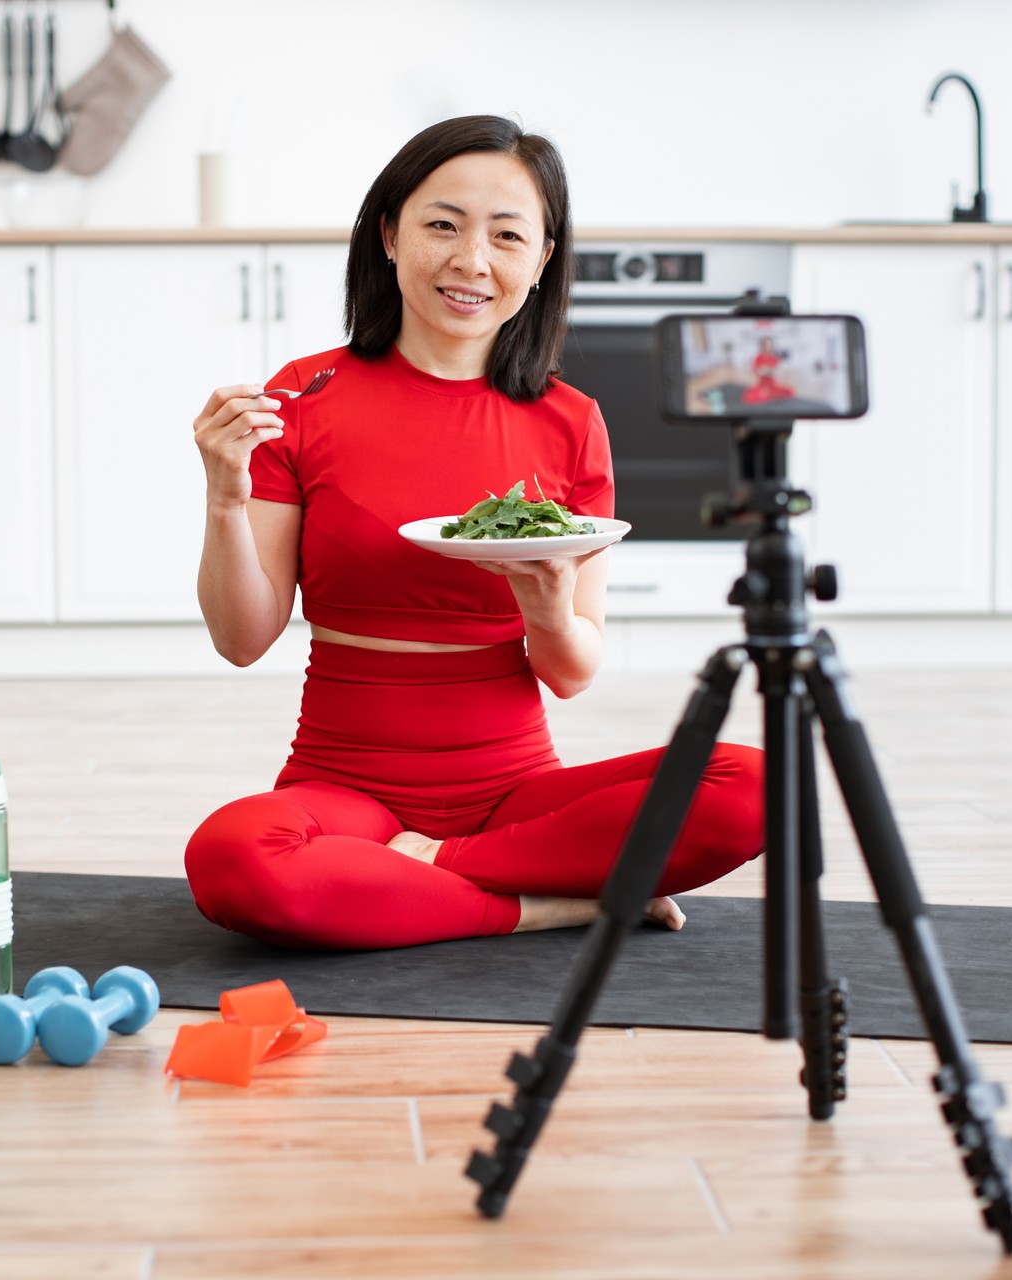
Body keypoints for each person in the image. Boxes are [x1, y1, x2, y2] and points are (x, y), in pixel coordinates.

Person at [185, 115, 764, 951]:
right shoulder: (302, 398)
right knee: (234, 860)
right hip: (344, 787)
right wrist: (225, 498)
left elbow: (570, 673)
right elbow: (244, 640)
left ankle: (432, 871)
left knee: (753, 783)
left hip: (514, 791)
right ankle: (549, 904)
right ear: (389, 234)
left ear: (542, 259)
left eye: (506, 236)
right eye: (443, 225)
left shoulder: (571, 422)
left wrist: (550, 612)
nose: (472, 262)